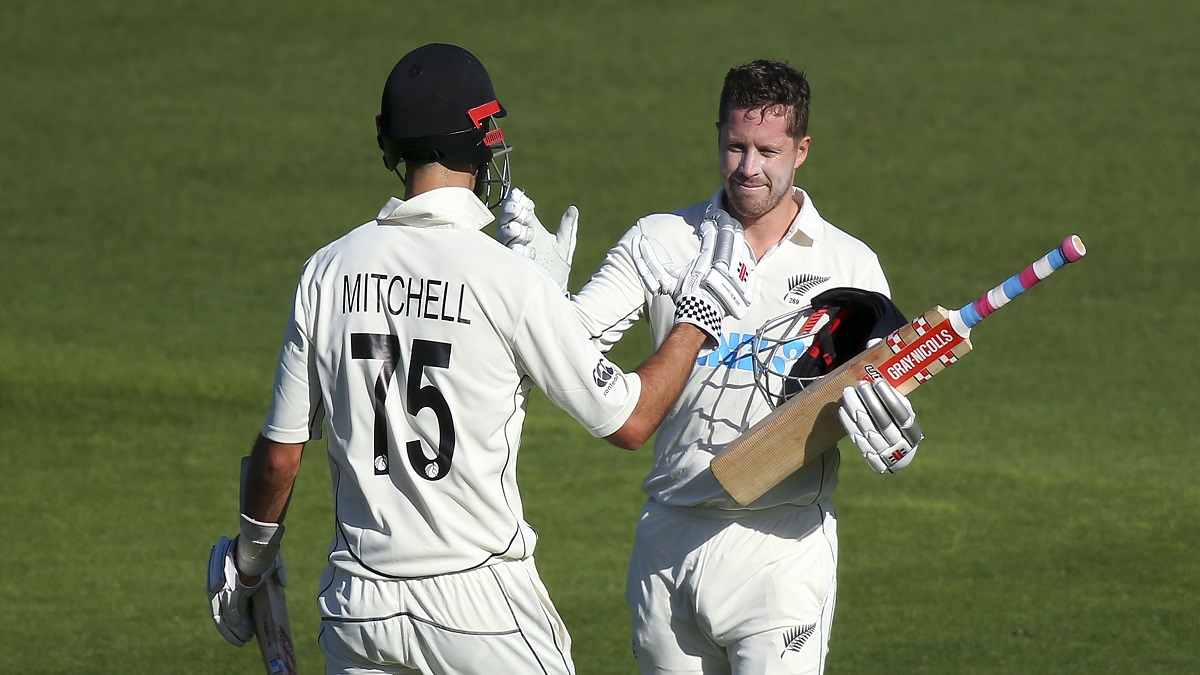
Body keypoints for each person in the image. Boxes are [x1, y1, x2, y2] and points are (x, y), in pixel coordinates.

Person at [204, 43, 759, 675]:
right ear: (476, 141)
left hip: (359, 606)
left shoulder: (326, 272)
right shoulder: (507, 279)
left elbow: (280, 456)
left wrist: (248, 567)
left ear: (391, 144)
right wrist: (695, 322)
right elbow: (628, 422)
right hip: (481, 609)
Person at [498, 59, 924, 674]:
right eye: (736, 147)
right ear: (718, 136)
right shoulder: (661, 240)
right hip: (669, 537)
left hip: (783, 548)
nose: (749, 168)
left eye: (769, 151)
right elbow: (568, 356)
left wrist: (898, 443)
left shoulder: (850, 265)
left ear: (801, 150)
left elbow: (882, 400)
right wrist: (537, 295)